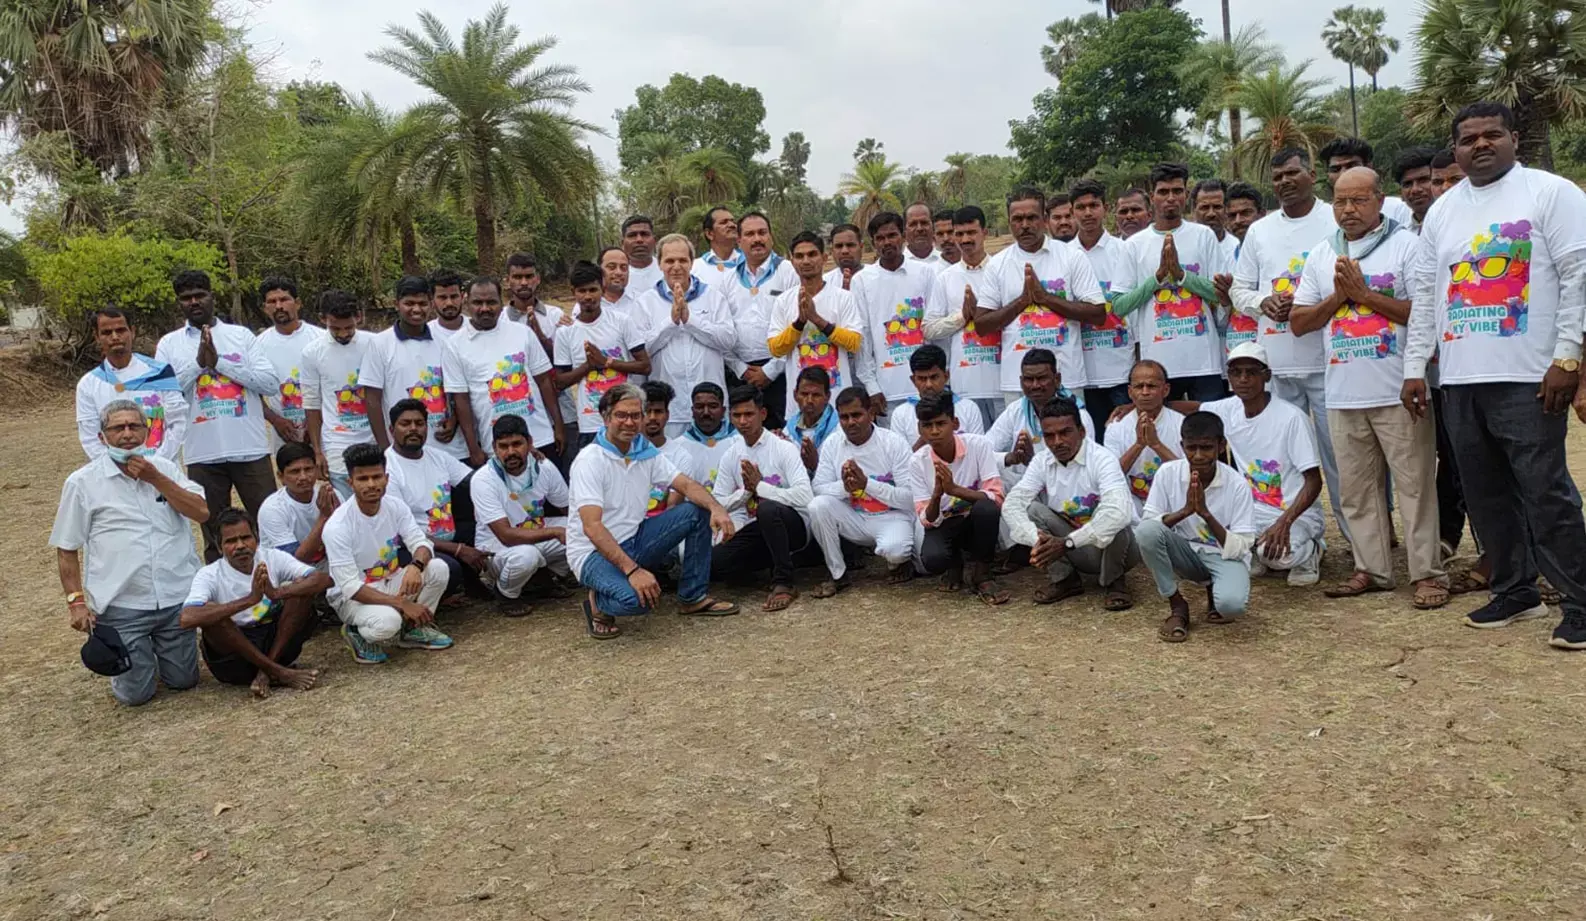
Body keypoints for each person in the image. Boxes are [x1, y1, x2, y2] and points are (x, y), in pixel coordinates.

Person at [1403, 101, 1586, 648]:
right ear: (1455, 149)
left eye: (1492, 134)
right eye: (1469, 138)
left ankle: (1580, 602)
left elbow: (1579, 277)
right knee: (1485, 494)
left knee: (1545, 491)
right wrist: (1415, 367)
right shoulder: (1443, 210)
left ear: (1514, 139)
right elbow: (1427, 295)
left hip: (1529, 376)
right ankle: (1515, 590)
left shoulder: (1551, 193)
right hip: (1460, 380)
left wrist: (1568, 358)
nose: (1480, 144)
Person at [1289, 166, 1447, 608]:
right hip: (1342, 393)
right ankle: (1372, 569)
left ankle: (1427, 574)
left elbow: (1425, 311)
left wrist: (1364, 296)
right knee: (1356, 491)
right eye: (1340, 201)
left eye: (1358, 200)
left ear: (1380, 199)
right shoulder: (1323, 253)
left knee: (1415, 487)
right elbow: (1299, 322)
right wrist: (1338, 298)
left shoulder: (1406, 245)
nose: (1348, 209)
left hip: (1398, 390)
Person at [50, 400, 210, 705]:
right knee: (136, 696)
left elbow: (201, 512)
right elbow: (67, 548)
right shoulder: (82, 482)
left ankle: (161, 653)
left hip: (174, 597)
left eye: (134, 426)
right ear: (102, 437)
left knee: (184, 681)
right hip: (122, 605)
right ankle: (133, 659)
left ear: (147, 432)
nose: (127, 434)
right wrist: (76, 603)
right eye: (117, 428)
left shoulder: (165, 469)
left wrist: (155, 478)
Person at [1229, 148, 1345, 538]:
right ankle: (1295, 534)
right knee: (1285, 462)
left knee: (1339, 459)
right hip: (1276, 365)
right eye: (1277, 176)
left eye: (1292, 173)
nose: (1285, 182)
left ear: (1312, 175)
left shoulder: (1333, 218)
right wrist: (1262, 302)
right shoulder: (1260, 231)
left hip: (1330, 361)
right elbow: (1239, 290)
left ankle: (1361, 542)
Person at [568, 383, 739, 638]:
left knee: (698, 511)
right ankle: (597, 603)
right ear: (605, 418)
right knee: (639, 602)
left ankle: (692, 597)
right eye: (621, 415)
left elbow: (686, 485)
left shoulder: (644, 451)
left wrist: (717, 508)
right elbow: (592, 527)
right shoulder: (590, 460)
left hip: (635, 538)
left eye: (635, 415)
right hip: (592, 553)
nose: (629, 422)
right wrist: (633, 571)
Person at [155, 270, 280, 562]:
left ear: (212, 296)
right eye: (186, 298)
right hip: (202, 454)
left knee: (269, 526)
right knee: (214, 536)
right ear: (179, 303)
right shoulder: (169, 345)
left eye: (200, 295)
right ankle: (221, 589)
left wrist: (220, 362)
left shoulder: (241, 336)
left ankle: (275, 585)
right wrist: (199, 365)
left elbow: (270, 383)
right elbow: (162, 395)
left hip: (250, 449)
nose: (194, 302)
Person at [1200, 343, 1326, 585]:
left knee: (1277, 558)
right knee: (1207, 538)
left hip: (1294, 513)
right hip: (1252, 511)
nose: (1243, 379)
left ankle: (1312, 550)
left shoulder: (1291, 418)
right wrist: (1136, 406)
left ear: (1266, 376)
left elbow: (1314, 481)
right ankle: (1255, 550)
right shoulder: (1229, 408)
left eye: (1251, 372)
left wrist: (1284, 522)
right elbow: (1191, 408)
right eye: (1236, 373)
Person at [1003, 395, 1138, 608]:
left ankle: (1115, 581)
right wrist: (1039, 541)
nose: (1057, 442)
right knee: (1032, 509)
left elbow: (1118, 512)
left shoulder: (1103, 459)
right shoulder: (1041, 461)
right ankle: (1065, 579)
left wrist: (1066, 543)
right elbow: (1013, 504)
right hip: (1074, 548)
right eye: (1049, 436)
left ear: (1081, 431)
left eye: (1065, 432)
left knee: (1115, 516)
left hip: (1118, 550)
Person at [324, 442, 453, 664]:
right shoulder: (338, 526)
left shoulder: (396, 506)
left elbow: (421, 543)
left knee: (438, 569)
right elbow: (350, 587)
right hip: (352, 597)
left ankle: (413, 629)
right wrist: (402, 604)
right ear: (350, 483)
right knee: (389, 623)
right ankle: (355, 631)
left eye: (377, 477)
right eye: (363, 479)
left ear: (386, 478)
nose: (371, 484)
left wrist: (416, 566)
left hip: (389, 580)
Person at [977, 186, 1106, 406]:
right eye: (1017, 219)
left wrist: (1046, 298)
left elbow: (1098, 314)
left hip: (1066, 377)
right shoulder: (997, 264)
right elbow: (981, 325)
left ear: (1045, 219)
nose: (1025, 225)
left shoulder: (1071, 257)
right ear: (1009, 222)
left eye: (1031, 218)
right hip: (1017, 383)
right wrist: (1022, 302)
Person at [178, 508, 328, 698]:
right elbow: (187, 618)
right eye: (231, 541)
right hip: (236, 658)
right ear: (219, 547)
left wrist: (277, 593)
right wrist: (250, 600)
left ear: (256, 539)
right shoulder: (209, 574)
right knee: (212, 616)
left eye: (245, 538)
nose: (240, 546)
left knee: (301, 591)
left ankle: (267, 671)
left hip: (278, 647)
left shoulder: (272, 558)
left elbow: (323, 579)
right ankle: (279, 672)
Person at [1111, 163, 1229, 402]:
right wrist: (1157, 279)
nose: (1171, 198)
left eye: (1177, 191)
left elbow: (1220, 294)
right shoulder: (1134, 244)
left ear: (1187, 194)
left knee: (1210, 421)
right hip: (1158, 364)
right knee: (1162, 422)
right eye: (1163, 192)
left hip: (1204, 361)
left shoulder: (1203, 236)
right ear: (1152, 196)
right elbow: (1119, 306)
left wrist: (1182, 275)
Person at [1138, 410, 1257, 642]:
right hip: (1185, 552)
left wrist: (1205, 514)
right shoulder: (1167, 473)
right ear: (1182, 446)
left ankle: (1215, 588)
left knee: (1231, 606)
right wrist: (1185, 511)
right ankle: (1177, 605)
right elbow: (1148, 526)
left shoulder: (1237, 484)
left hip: (1223, 556)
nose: (1199, 456)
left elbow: (1242, 546)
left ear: (1221, 446)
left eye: (1206, 447)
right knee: (1146, 531)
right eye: (1191, 448)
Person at [441, 275, 565, 469]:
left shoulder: (522, 333)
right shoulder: (454, 345)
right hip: (497, 446)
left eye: (491, 302)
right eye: (478, 303)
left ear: (501, 302)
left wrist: (558, 426)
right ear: (467, 303)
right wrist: (473, 448)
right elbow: (461, 400)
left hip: (540, 436)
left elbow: (544, 381)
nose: (485, 308)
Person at [710, 386, 816, 611]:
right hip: (756, 528)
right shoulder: (731, 454)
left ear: (763, 414)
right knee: (716, 563)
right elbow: (718, 502)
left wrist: (760, 487)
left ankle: (784, 582)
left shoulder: (784, 448)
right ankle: (776, 562)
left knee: (767, 510)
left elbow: (805, 496)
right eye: (737, 415)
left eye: (749, 414)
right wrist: (746, 493)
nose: (743, 421)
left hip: (792, 525)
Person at [808, 385, 918, 597]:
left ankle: (899, 563)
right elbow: (818, 488)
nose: (850, 422)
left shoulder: (893, 443)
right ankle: (838, 574)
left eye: (856, 415)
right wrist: (845, 487)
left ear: (871, 413)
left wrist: (867, 484)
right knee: (817, 506)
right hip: (854, 517)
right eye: (844, 417)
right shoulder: (833, 444)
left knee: (895, 551)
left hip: (892, 516)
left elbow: (910, 498)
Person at [383, 398, 491, 601]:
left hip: (448, 536)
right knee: (450, 570)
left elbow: (477, 481)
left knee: (484, 521)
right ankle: (423, 601)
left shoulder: (437, 456)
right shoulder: (388, 468)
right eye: (405, 424)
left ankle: (473, 583)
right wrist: (458, 550)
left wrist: (506, 468)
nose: (413, 429)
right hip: (411, 547)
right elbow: (402, 533)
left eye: (419, 423)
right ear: (391, 430)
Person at [912, 392, 1009, 604]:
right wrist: (937, 495)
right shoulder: (917, 461)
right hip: (944, 523)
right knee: (933, 560)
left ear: (954, 423)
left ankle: (982, 574)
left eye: (941, 423)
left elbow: (996, 497)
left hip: (974, 521)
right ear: (920, 429)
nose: (934, 431)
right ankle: (954, 563)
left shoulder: (979, 445)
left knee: (987, 509)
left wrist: (955, 490)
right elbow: (927, 520)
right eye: (927, 425)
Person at [471, 414, 572, 617]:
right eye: (503, 446)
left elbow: (568, 508)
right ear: (494, 448)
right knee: (527, 556)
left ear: (530, 443)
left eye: (517, 444)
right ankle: (506, 594)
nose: (511, 452)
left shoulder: (544, 467)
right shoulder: (483, 479)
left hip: (534, 532)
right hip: (497, 548)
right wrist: (555, 532)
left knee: (583, 530)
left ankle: (544, 578)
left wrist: (577, 532)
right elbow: (506, 536)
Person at [639, 234, 736, 436]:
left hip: (710, 409)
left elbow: (728, 341)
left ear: (692, 263)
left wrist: (691, 321)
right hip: (668, 411)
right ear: (659, 264)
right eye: (669, 261)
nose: (676, 267)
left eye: (682, 260)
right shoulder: (645, 303)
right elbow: (641, 352)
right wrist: (671, 323)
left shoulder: (713, 297)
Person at [362, 275, 466, 461]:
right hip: (403, 450)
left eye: (423, 303)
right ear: (396, 304)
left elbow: (455, 389)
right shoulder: (380, 344)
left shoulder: (446, 343)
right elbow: (372, 400)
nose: (417, 309)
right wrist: (385, 449)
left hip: (449, 448)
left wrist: (454, 419)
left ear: (431, 304)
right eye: (409, 303)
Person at [767, 230, 865, 425]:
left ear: (824, 258)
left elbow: (854, 343)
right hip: (799, 405)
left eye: (812, 254)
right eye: (799, 256)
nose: (806, 261)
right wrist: (799, 323)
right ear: (792, 261)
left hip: (838, 399)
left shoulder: (843, 298)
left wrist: (817, 320)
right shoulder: (783, 301)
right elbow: (775, 348)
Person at [553, 260, 651, 452]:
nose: (588, 296)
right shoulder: (565, 333)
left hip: (625, 420)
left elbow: (645, 366)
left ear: (603, 289)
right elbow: (560, 382)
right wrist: (588, 366)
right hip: (590, 424)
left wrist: (607, 362)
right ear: (573, 292)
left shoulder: (621, 322)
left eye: (593, 290)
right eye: (582, 291)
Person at [852, 211, 942, 416]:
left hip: (928, 386)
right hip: (887, 390)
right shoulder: (862, 280)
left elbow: (934, 326)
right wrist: (871, 387)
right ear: (873, 243)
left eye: (892, 235)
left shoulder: (925, 273)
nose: (887, 242)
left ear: (903, 236)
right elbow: (863, 337)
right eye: (880, 238)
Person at [925, 205, 1005, 424]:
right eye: (959, 234)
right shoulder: (946, 278)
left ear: (985, 233)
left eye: (971, 232)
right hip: (965, 385)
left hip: (1003, 381)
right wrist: (961, 317)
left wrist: (985, 315)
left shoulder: (1002, 270)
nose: (965, 239)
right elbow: (929, 329)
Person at [75, 307, 188, 462]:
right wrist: (120, 468)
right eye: (107, 332)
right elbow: (90, 438)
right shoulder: (88, 385)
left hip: (162, 469)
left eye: (121, 330)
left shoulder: (160, 373)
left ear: (132, 332)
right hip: (114, 472)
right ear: (97, 337)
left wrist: (156, 464)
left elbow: (178, 423)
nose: (115, 337)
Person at [1068, 179, 1135, 434]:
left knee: (1124, 438)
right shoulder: (1062, 255)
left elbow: (1134, 308)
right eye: (1081, 207)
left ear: (1105, 208)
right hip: (1080, 373)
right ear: (1072, 211)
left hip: (1121, 369)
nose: (1087, 213)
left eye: (1093, 205)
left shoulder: (1125, 251)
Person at [722, 212, 798, 428]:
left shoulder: (787, 272)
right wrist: (740, 368)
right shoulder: (728, 278)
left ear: (770, 237)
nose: (757, 239)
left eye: (762, 233)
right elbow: (722, 328)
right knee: (744, 434)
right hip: (740, 375)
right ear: (739, 241)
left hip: (782, 372)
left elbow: (798, 324)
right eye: (750, 234)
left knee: (783, 433)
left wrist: (771, 370)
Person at [301, 289, 376, 498]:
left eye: (349, 328)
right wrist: (317, 451)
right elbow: (312, 404)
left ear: (359, 317)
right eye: (335, 328)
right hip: (336, 443)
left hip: (374, 438)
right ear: (322, 319)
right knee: (343, 503)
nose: (343, 334)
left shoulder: (375, 344)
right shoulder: (312, 352)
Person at [986, 348, 1082, 492]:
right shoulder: (1015, 410)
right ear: (1021, 382)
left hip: (1063, 490)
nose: (1035, 385)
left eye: (1042, 378)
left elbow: (1078, 468)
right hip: (1023, 488)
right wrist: (1010, 458)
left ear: (1057, 379)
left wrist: (1033, 461)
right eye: (1029, 379)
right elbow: (983, 451)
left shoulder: (1077, 414)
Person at [1104, 359, 1185, 513]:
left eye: (1151, 386)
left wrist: (1156, 445)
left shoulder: (1181, 424)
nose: (1145, 392)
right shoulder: (1116, 427)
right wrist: (1138, 445)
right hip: (1131, 506)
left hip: (1173, 505)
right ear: (1130, 392)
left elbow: (1187, 476)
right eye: (1139, 386)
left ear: (1166, 390)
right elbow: (1109, 476)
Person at [254, 275, 323, 451]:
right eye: (272, 301)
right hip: (284, 437)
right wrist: (275, 420)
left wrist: (316, 420)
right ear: (265, 308)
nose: (279, 306)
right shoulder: (257, 345)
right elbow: (251, 392)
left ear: (297, 303)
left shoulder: (321, 339)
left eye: (284, 299)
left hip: (325, 434)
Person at [258, 441, 338, 567]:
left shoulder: (331, 495)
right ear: (281, 477)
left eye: (308, 469)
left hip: (326, 562)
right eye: (295, 471)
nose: (303, 477)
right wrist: (324, 517)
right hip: (284, 569)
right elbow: (295, 560)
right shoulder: (272, 509)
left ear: (316, 470)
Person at [888, 344, 986, 448]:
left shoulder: (969, 408)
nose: (928, 385)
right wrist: (925, 437)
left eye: (934, 377)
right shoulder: (900, 414)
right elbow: (900, 457)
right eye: (922, 379)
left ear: (946, 376)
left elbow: (979, 450)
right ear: (913, 380)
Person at [1318, 137, 1415, 226]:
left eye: (1351, 166)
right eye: (1335, 169)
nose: (1344, 173)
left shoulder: (1398, 210)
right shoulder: (1324, 219)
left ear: (1369, 167)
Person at [1220, 182, 1267, 358]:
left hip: (1268, 346)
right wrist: (1224, 301)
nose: (1238, 221)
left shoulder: (1273, 255)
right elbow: (1221, 318)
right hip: (1236, 351)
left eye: (1246, 213)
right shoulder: (1225, 258)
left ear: (1262, 214)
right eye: (1232, 215)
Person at [639, 380, 705, 485]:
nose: (652, 417)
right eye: (647, 411)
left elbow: (679, 495)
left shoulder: (681, 457)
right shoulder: (625, 452)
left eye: (658, 411)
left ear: (667, 415)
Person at [788, 366, 837, 474]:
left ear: (827, 397)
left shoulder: (840, 429)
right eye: (804, 394)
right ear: (795, 395)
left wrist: (815, 465)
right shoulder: (788, 431)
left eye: (816, 395)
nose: (809, 400)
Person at [1192, 178, 1239, 265]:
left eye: (1217, 207)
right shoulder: (1181, 244)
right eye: (1205, 207)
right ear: (1194, 209)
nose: (1211, 214)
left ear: (1226, 209)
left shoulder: (1237, 249)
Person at [692, 207, 743, 284]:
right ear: (709, 234)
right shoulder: (695, 268)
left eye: (733, 221)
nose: (732, 225)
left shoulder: (751, 262)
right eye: (724, 222)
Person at [1394, 146, 1438, 232]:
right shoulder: (1401, 234)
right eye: (1407, 184)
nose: (1415, 190)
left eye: (1423, 180)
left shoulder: (1459, 224)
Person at [621, 215, 664, 299]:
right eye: (632, 235)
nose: (639, 240)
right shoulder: (613, 276)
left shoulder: (667, 271)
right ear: (622, 243)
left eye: (644, 234)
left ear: (654, 240)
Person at [428, 268, 467, 341]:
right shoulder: (426, 334)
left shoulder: (478, 329)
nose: (449, 303)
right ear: (432, 300)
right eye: (442, 297)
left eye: (454, 296)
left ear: (462, 297)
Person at [823, 223, 865, 291]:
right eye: (839, 246)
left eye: (850, 245)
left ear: (861, 246)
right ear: (832, 249)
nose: (844, 251)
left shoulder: (877, 277)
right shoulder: (825, 283)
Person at [903, 202, 942, 270]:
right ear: (904, 229)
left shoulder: (947, 262)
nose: (919, 229)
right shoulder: (896, 265)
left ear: (933, 226)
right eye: (913, 224)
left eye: (924, 223)